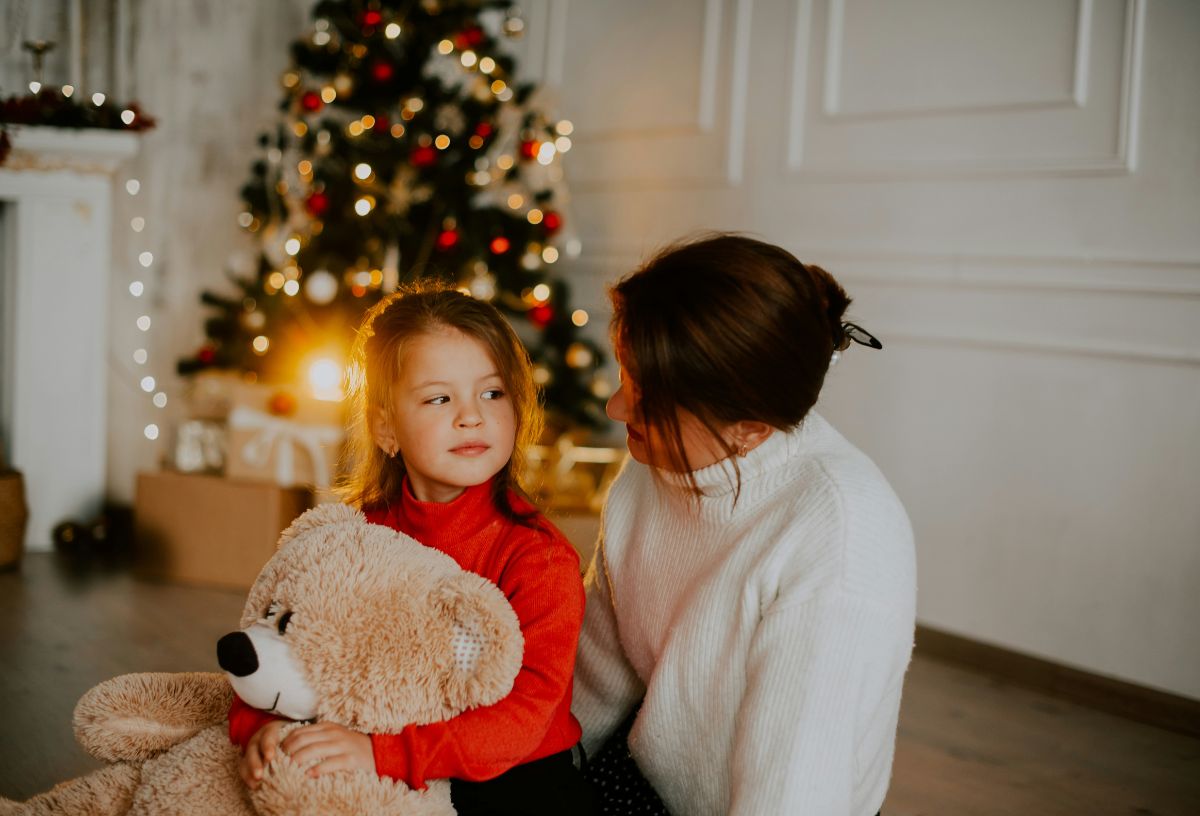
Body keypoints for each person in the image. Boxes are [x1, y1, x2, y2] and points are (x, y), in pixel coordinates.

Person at [572, 234, 916, 816]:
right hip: (648, 783)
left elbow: (792, 795)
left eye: (649, 399)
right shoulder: (646, 475)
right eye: (627, 374)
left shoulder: (838, 537)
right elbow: (594, 682)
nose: (615, 408)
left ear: (750, 429)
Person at [230, 285, 600, 815]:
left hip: (512, 779)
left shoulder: (537, 558)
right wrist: (264, 726)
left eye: (492, 394)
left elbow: (526, 717)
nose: (471, 416)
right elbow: (281, 643)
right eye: (439, 398)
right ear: (386, 428)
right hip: (383, 754)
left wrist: (383, 753)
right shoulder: (352, 538)